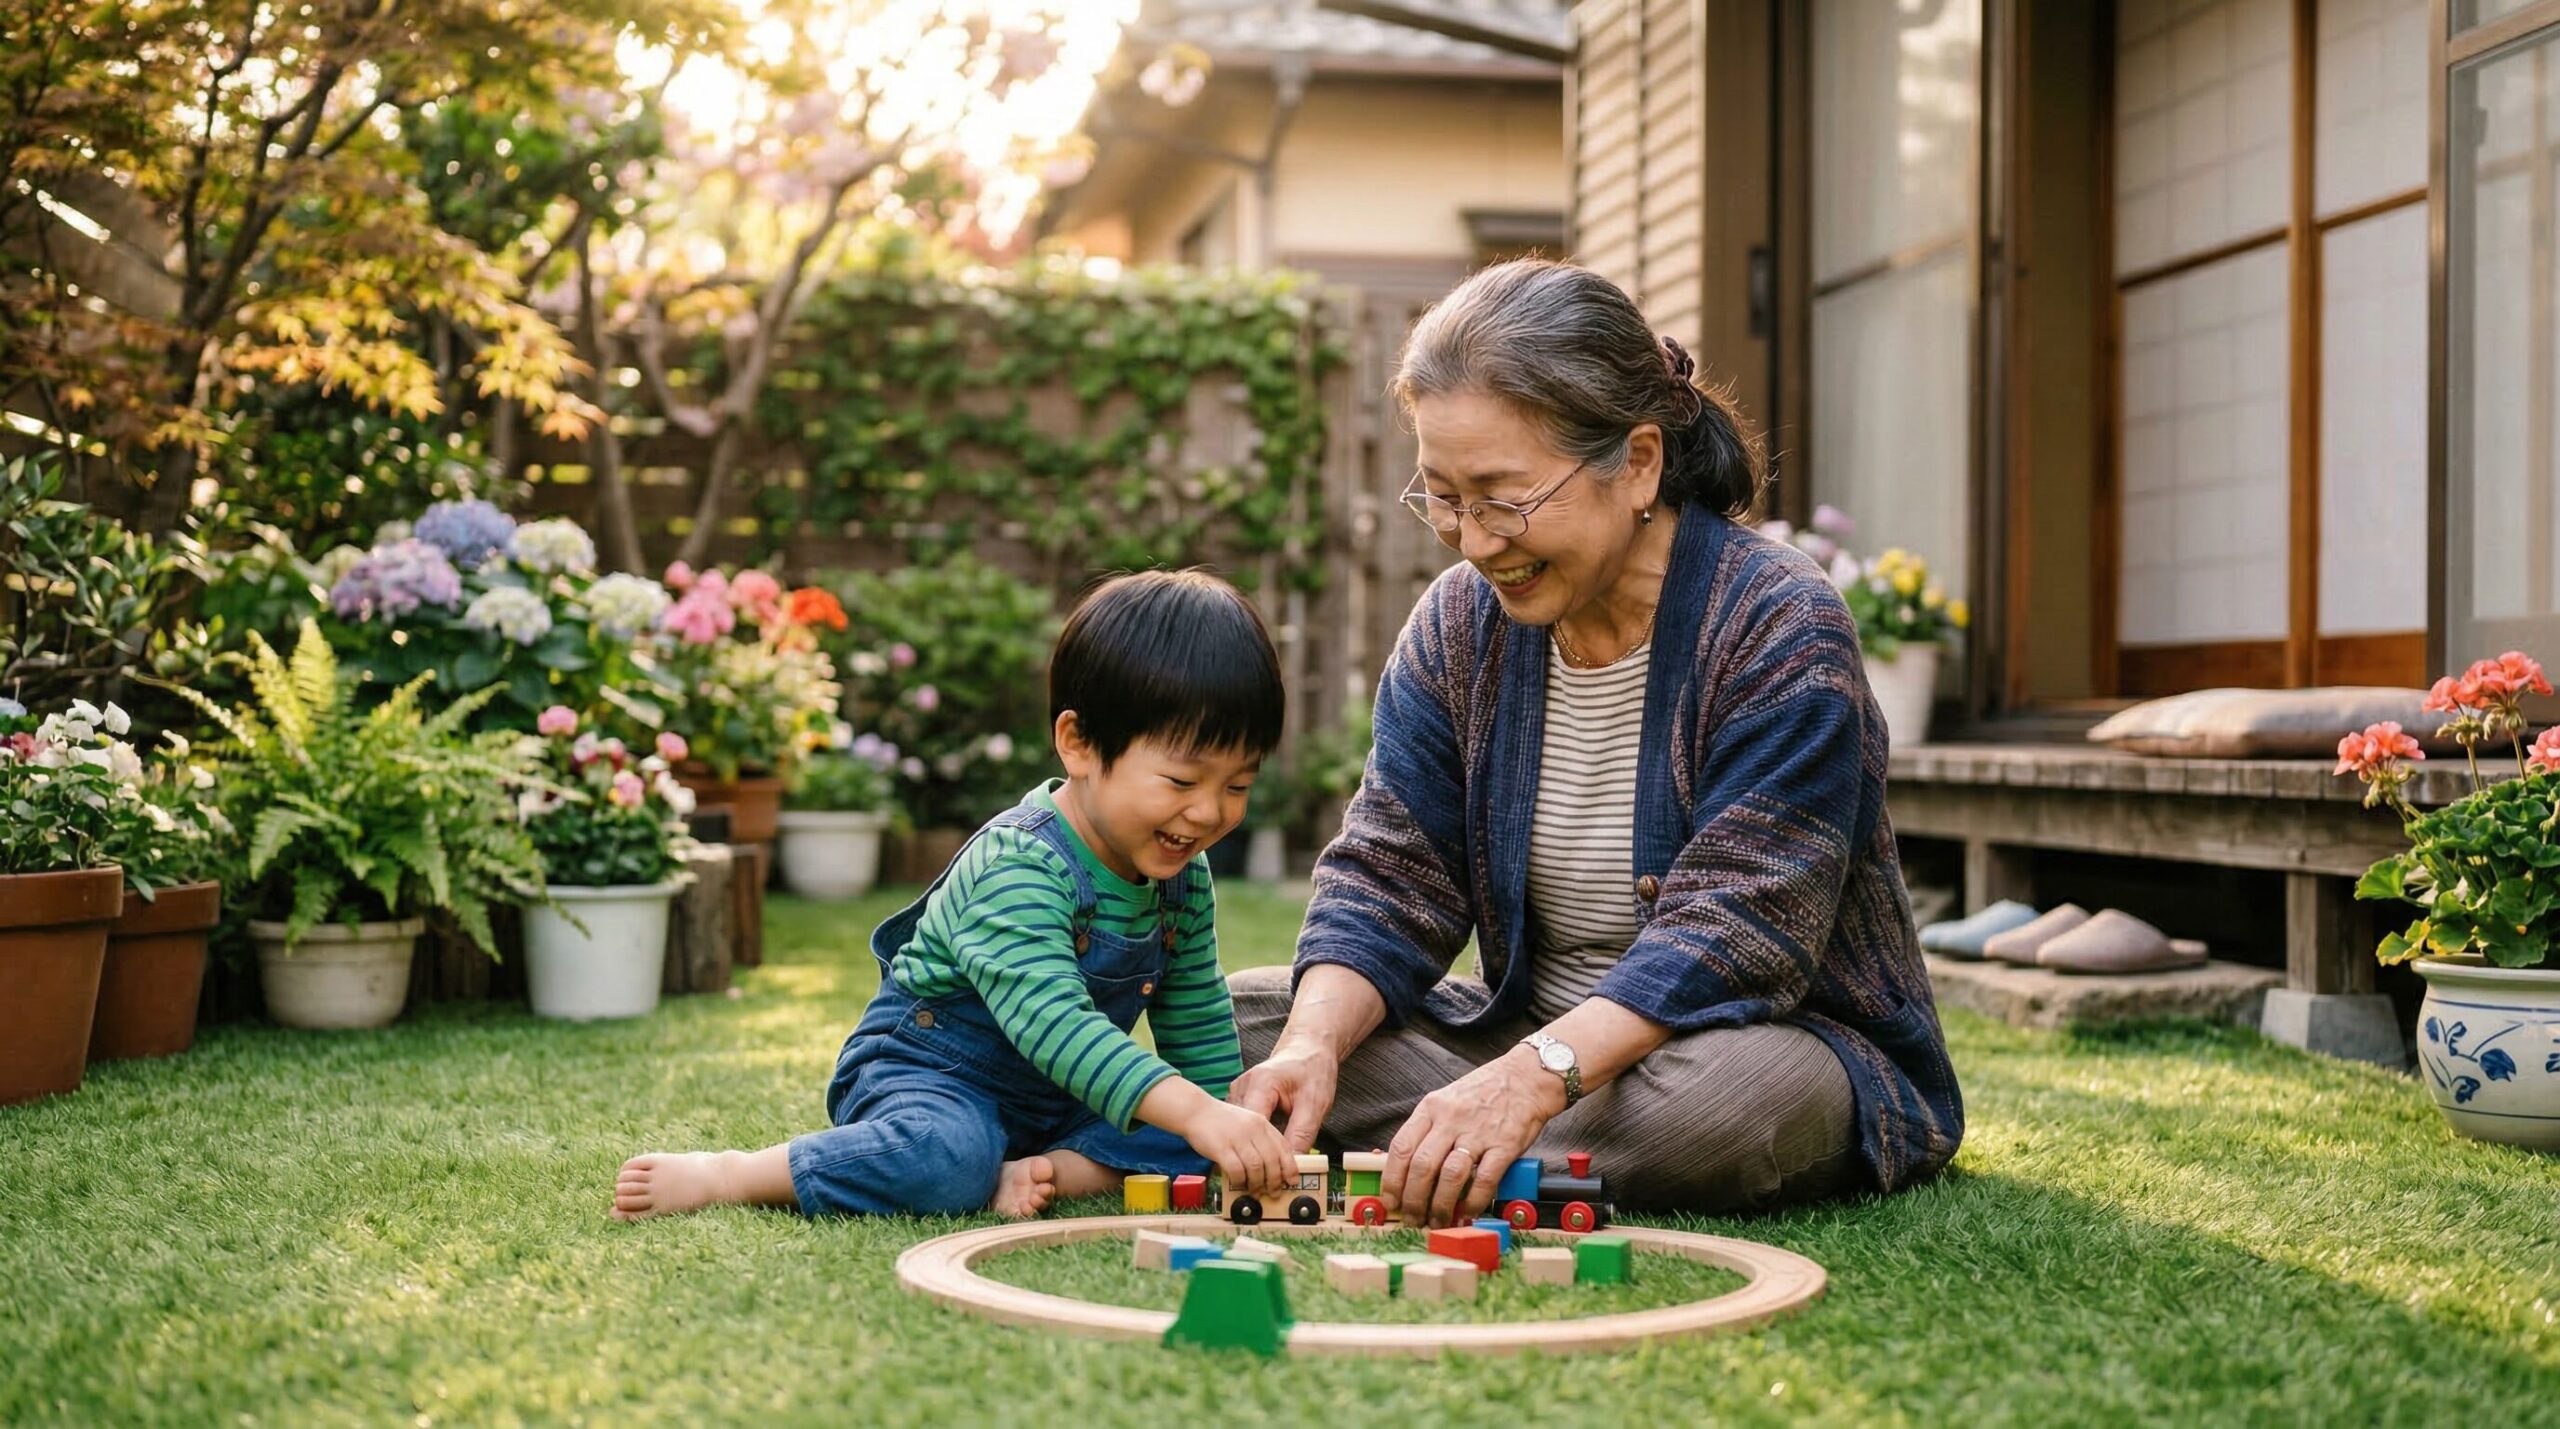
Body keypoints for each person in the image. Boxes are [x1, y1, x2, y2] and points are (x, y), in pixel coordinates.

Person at [1228, 259, 1963, 1228]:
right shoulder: (1458, 625)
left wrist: (1530, 1080)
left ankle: (1452, 1144)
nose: (1474, 540)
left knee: (1725, 1112)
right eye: (1444, 498)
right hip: (1529, 1036)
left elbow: (1736, 930)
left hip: (1758, 1046)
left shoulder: (1779, 621)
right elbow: (1390, 874)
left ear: (1640, 463)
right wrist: (1313, 1047)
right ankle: (1479, 1145)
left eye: (1503, 497)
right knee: (1247, 1018)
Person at [614, 570, 1299, 1220]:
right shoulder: (1022, 865)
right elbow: (1055, 1023)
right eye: (1182, 782)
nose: (1209, 813)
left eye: (1237, 785)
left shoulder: (1183, 876)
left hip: (1058, 1098)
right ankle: (734, 1173)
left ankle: (1044, 1169)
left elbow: (1197, 1012)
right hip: (930, 1077)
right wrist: (1202, 1115)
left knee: (1185, 1130)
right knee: (948, 1157)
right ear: (1080, 743)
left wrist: (1221, 1113)